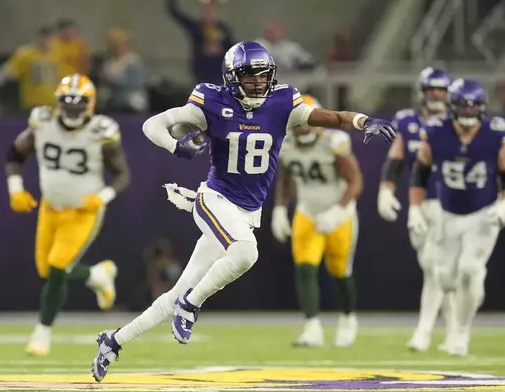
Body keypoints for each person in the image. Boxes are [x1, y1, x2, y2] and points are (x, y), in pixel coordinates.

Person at [89, 41, 395, 382]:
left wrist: (363, 121)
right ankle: (191, 305)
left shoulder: (283, 102)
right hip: (215, 200)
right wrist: (176, 145)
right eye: (251, 77)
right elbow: (152, 126)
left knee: (176, 292)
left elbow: (335, 117)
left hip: (246, 211)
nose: (259, 84)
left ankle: (114, 341)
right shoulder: (211, 100)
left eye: (264, 77)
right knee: (246, 253)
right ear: (232, 77)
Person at [4, 73, 131, 356]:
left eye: (79, 103)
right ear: (59, 103)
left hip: (83, 212)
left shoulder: (102, 130)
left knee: (58, 265)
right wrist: (15, 189)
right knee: (45, 269)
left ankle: (42, 333)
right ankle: (97, 274)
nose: (73, 108)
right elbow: (14, 155)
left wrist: (102, 197)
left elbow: (122, 174)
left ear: (91, 104)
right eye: (68, 102)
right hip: (50, 207)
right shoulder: (43, 122)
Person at [409, 78, 505, 357]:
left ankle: (461, 333)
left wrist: (502, 203)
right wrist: (415, 207)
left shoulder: (494, 133)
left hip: (483, 213)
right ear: (452, 107)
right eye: (462, 107)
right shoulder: (436, 131)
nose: (467, 112)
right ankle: (458, 320)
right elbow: (420, 172)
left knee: (469, 270)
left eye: (473, 107)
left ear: (482, 108)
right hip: (448, 213)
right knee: (445, 278)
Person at [272, 95, 362, 348]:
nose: (302, 127)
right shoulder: (285, 145)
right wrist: (280, 208)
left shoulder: (333, 143)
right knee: (305, 268)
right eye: (298, 122)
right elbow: (286, 179)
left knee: (341, 272)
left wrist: (337, 212)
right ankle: (312, 328)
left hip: (339, 213)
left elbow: (355, 181)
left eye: (307, 120)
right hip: (307, 211)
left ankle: (347, 319)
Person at [377, 67, 456, 352]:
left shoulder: (459, 122)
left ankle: (424, 332)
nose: (437, 94)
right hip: (420, 205)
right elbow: (395, 160)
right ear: (422, 91)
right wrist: (386, 190)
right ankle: (455, 332)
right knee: (435, 269)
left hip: (452, 205)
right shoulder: (408, 121)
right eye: (432, 88)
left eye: (441, 89)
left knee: (437, 268)